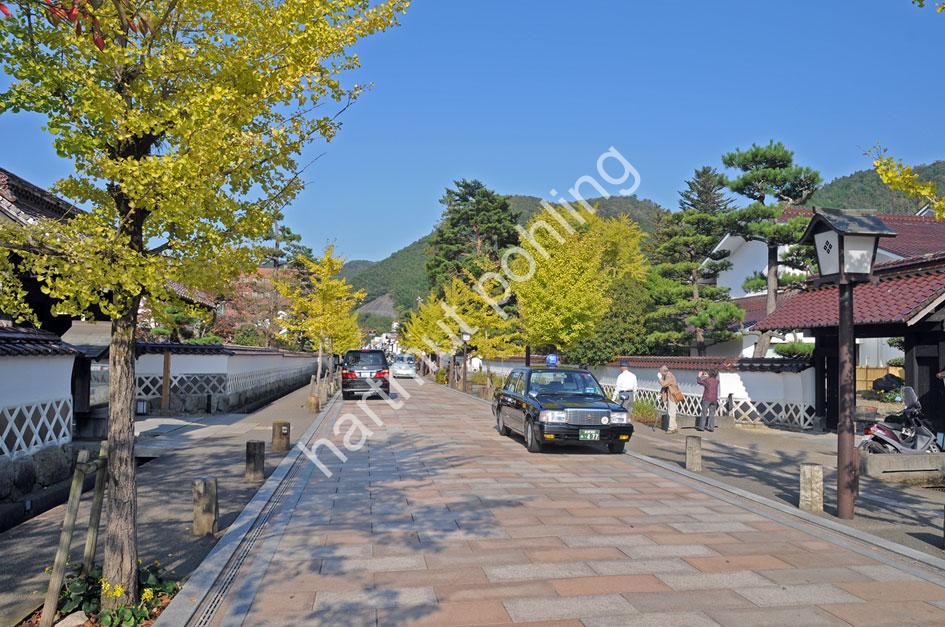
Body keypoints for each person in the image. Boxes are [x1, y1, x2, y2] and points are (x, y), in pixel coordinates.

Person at [658, 365, 680, 433]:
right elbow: (665, 387)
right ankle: (674, 427)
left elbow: (664, 384)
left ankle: (671, 428)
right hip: (671, 396)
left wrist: (660, 378)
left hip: (673, 396)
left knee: (671, 412)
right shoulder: (667, 376)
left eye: (660, 372)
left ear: (664, 371)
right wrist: (660, 394)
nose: (660, 373)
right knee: (671, 412)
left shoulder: (669, 376)